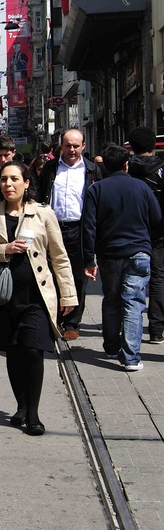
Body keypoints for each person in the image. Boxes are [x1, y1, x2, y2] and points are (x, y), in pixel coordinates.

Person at [0, 162, 77, 436]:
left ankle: (33, 414)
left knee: (32, 351)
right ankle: (20, 406)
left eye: (14, 179)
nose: (8, 184)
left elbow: (60, 257)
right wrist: (3, 249)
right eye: (4, 179)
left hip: (37, 297)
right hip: (3, 298)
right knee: (13, 353)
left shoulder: (43, 214)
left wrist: (68, 295)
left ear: (26, 183)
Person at [82, 144, 161, 372]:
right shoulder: (142, 187)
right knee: (134, 302)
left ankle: (111, 345)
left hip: (109, 254)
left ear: (104, 166)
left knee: (112, 298)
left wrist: (89, 260)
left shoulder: (96, 190)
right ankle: (131, 357)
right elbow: (156, 218)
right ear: (126, 164)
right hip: (139, 251)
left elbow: (89, 227)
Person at [35, 129, 102, 340]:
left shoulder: (92, 170)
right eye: (68, 145)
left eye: (76, 146)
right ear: (61, 146)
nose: (72, 150)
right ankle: (54, 318)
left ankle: (72, 323)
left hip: (79, 229)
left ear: (83, 146)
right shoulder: (51, 168)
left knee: (77, 277)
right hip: (52, 229)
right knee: (51, 274)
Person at [126, 126, 164, 345]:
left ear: (131, 146)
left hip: (131, 231)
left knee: (129, 280)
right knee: (158, 278)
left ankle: (126, 326)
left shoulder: (125, 169)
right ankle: (157, 329)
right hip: (158, 231)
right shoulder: (161, 170)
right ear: (153, 145)